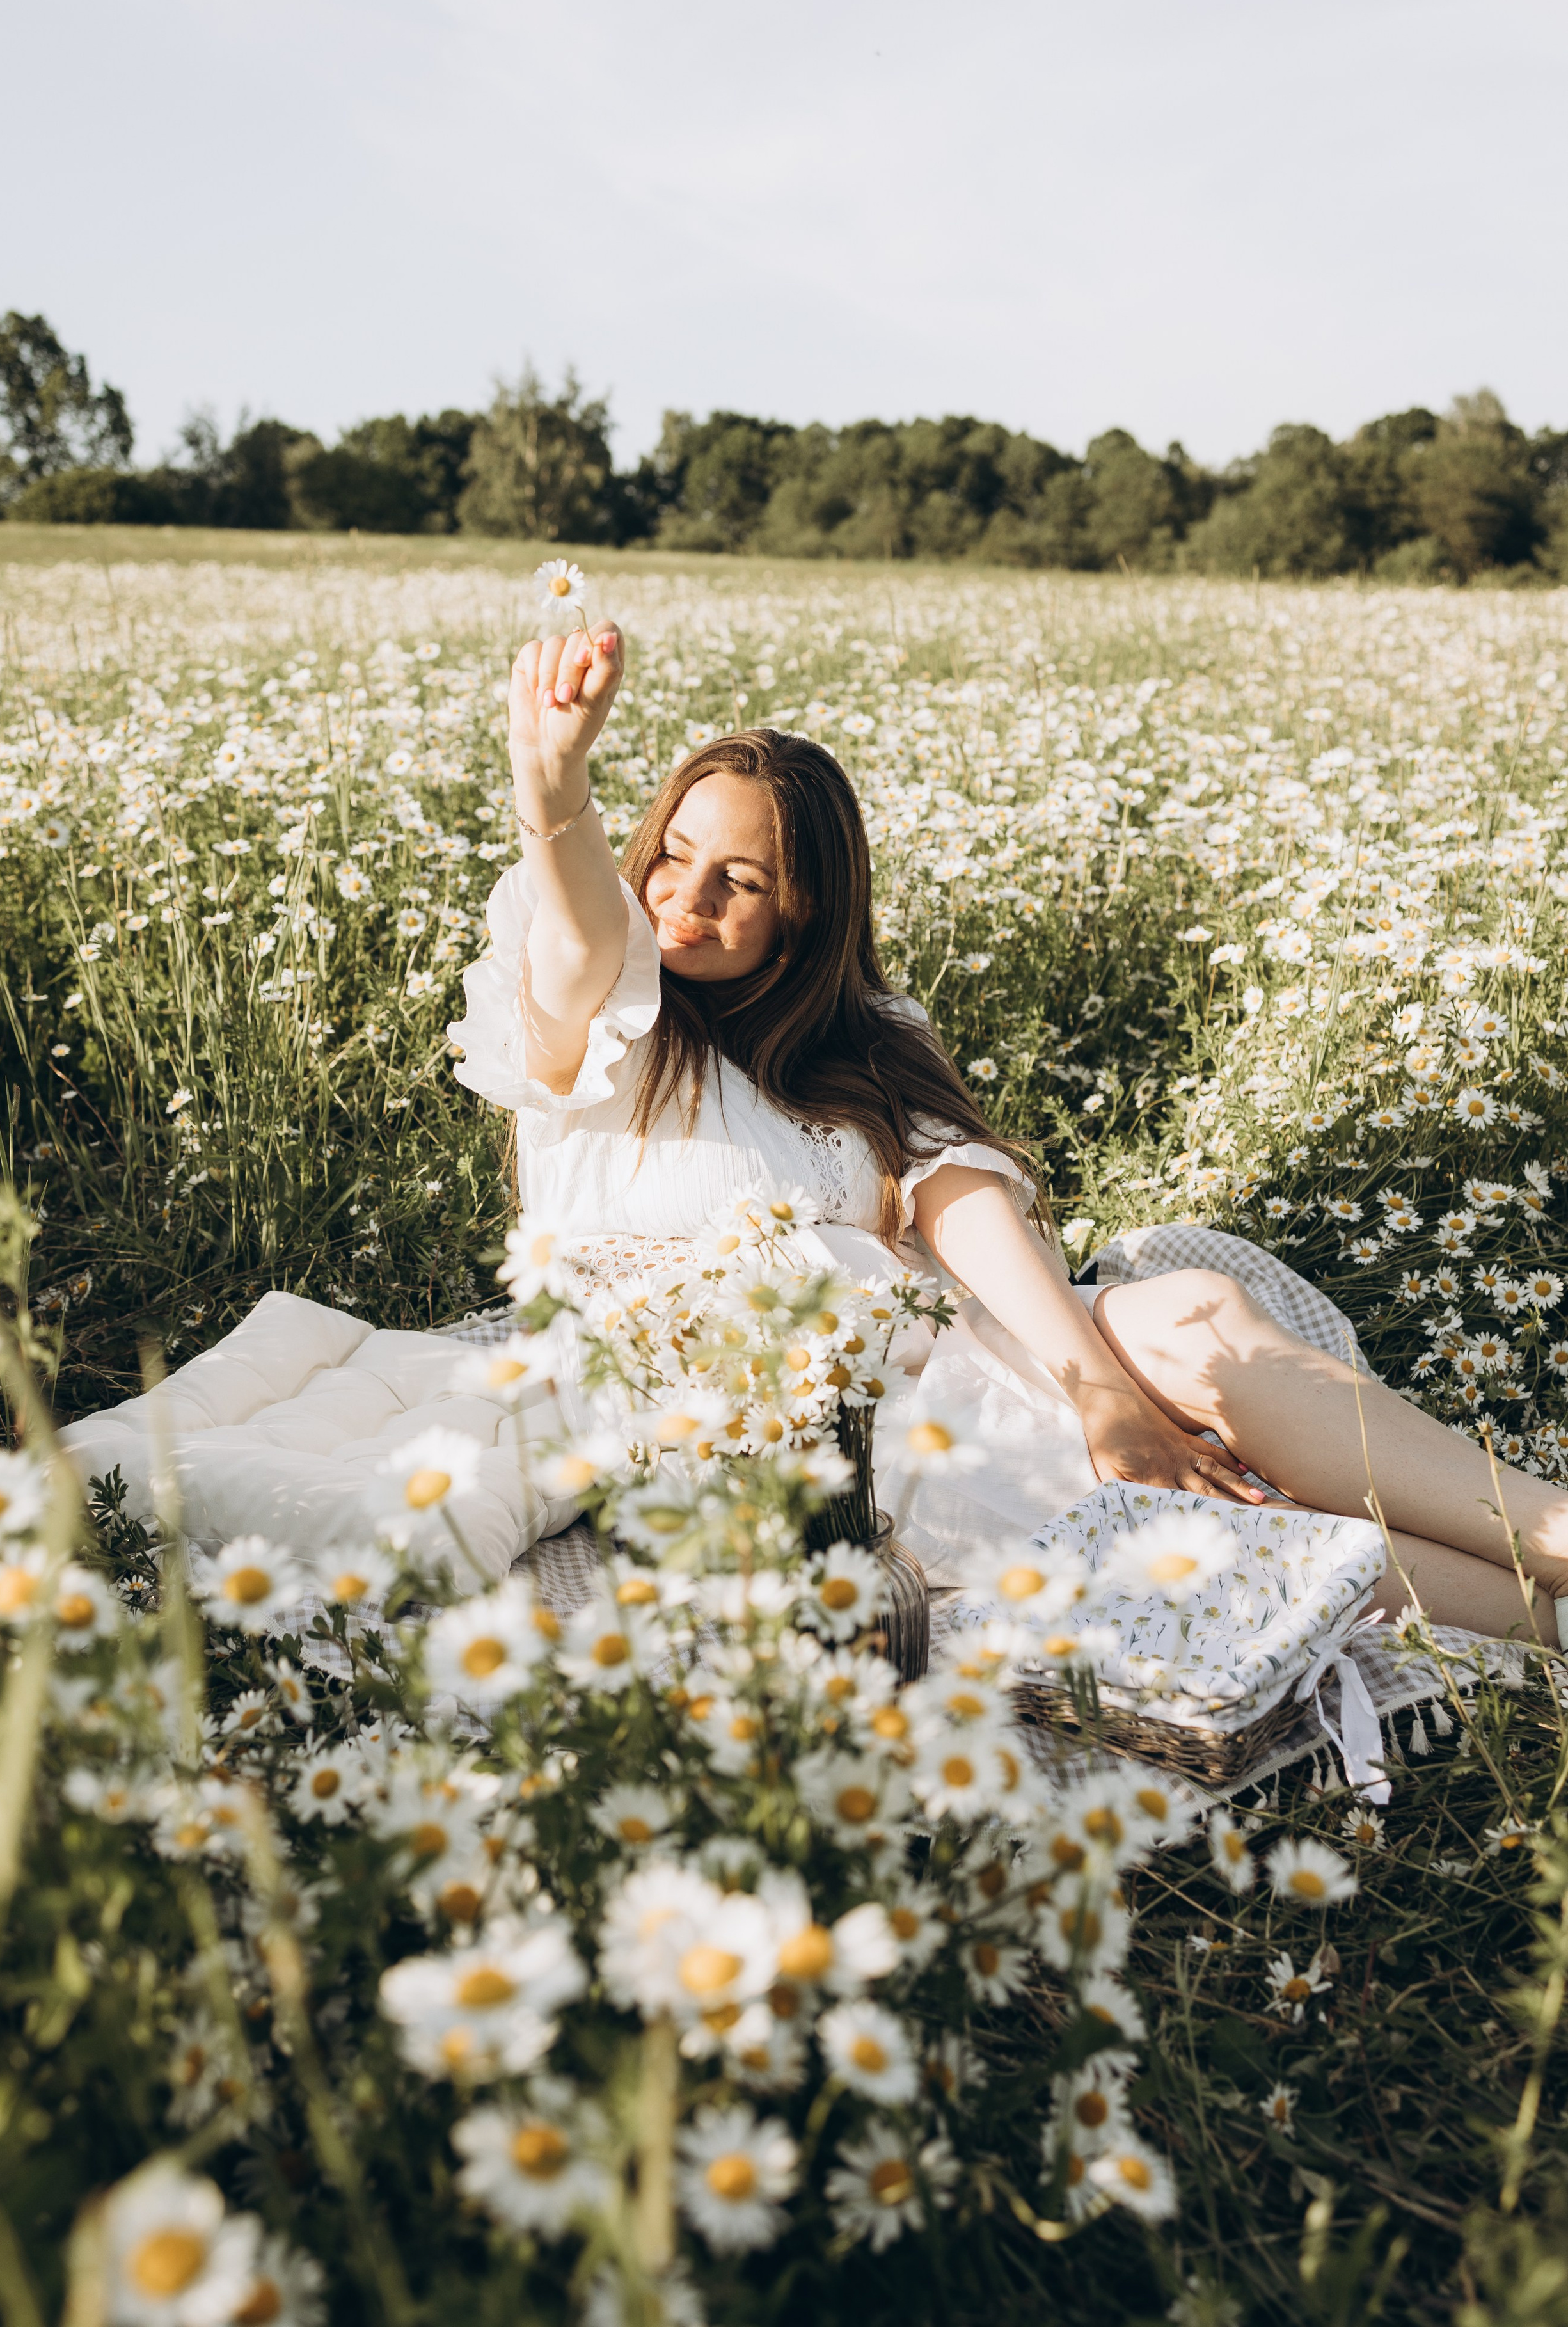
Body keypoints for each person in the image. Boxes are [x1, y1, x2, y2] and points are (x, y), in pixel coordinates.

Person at [446, 621, 1568, 1648]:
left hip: (935, 1361)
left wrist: (1101, 1392)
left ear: (803, 917)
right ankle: (1543, 1621)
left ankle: (1554, 1530)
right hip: (792, 1438)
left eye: (739, 880)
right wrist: (553, 781)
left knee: (1190, 1314)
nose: (680, 894)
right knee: (1200, 1520)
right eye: (669, 852)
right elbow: (583, 929)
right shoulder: (597, 1029)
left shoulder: (860, 1040)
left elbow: (962, 1206)